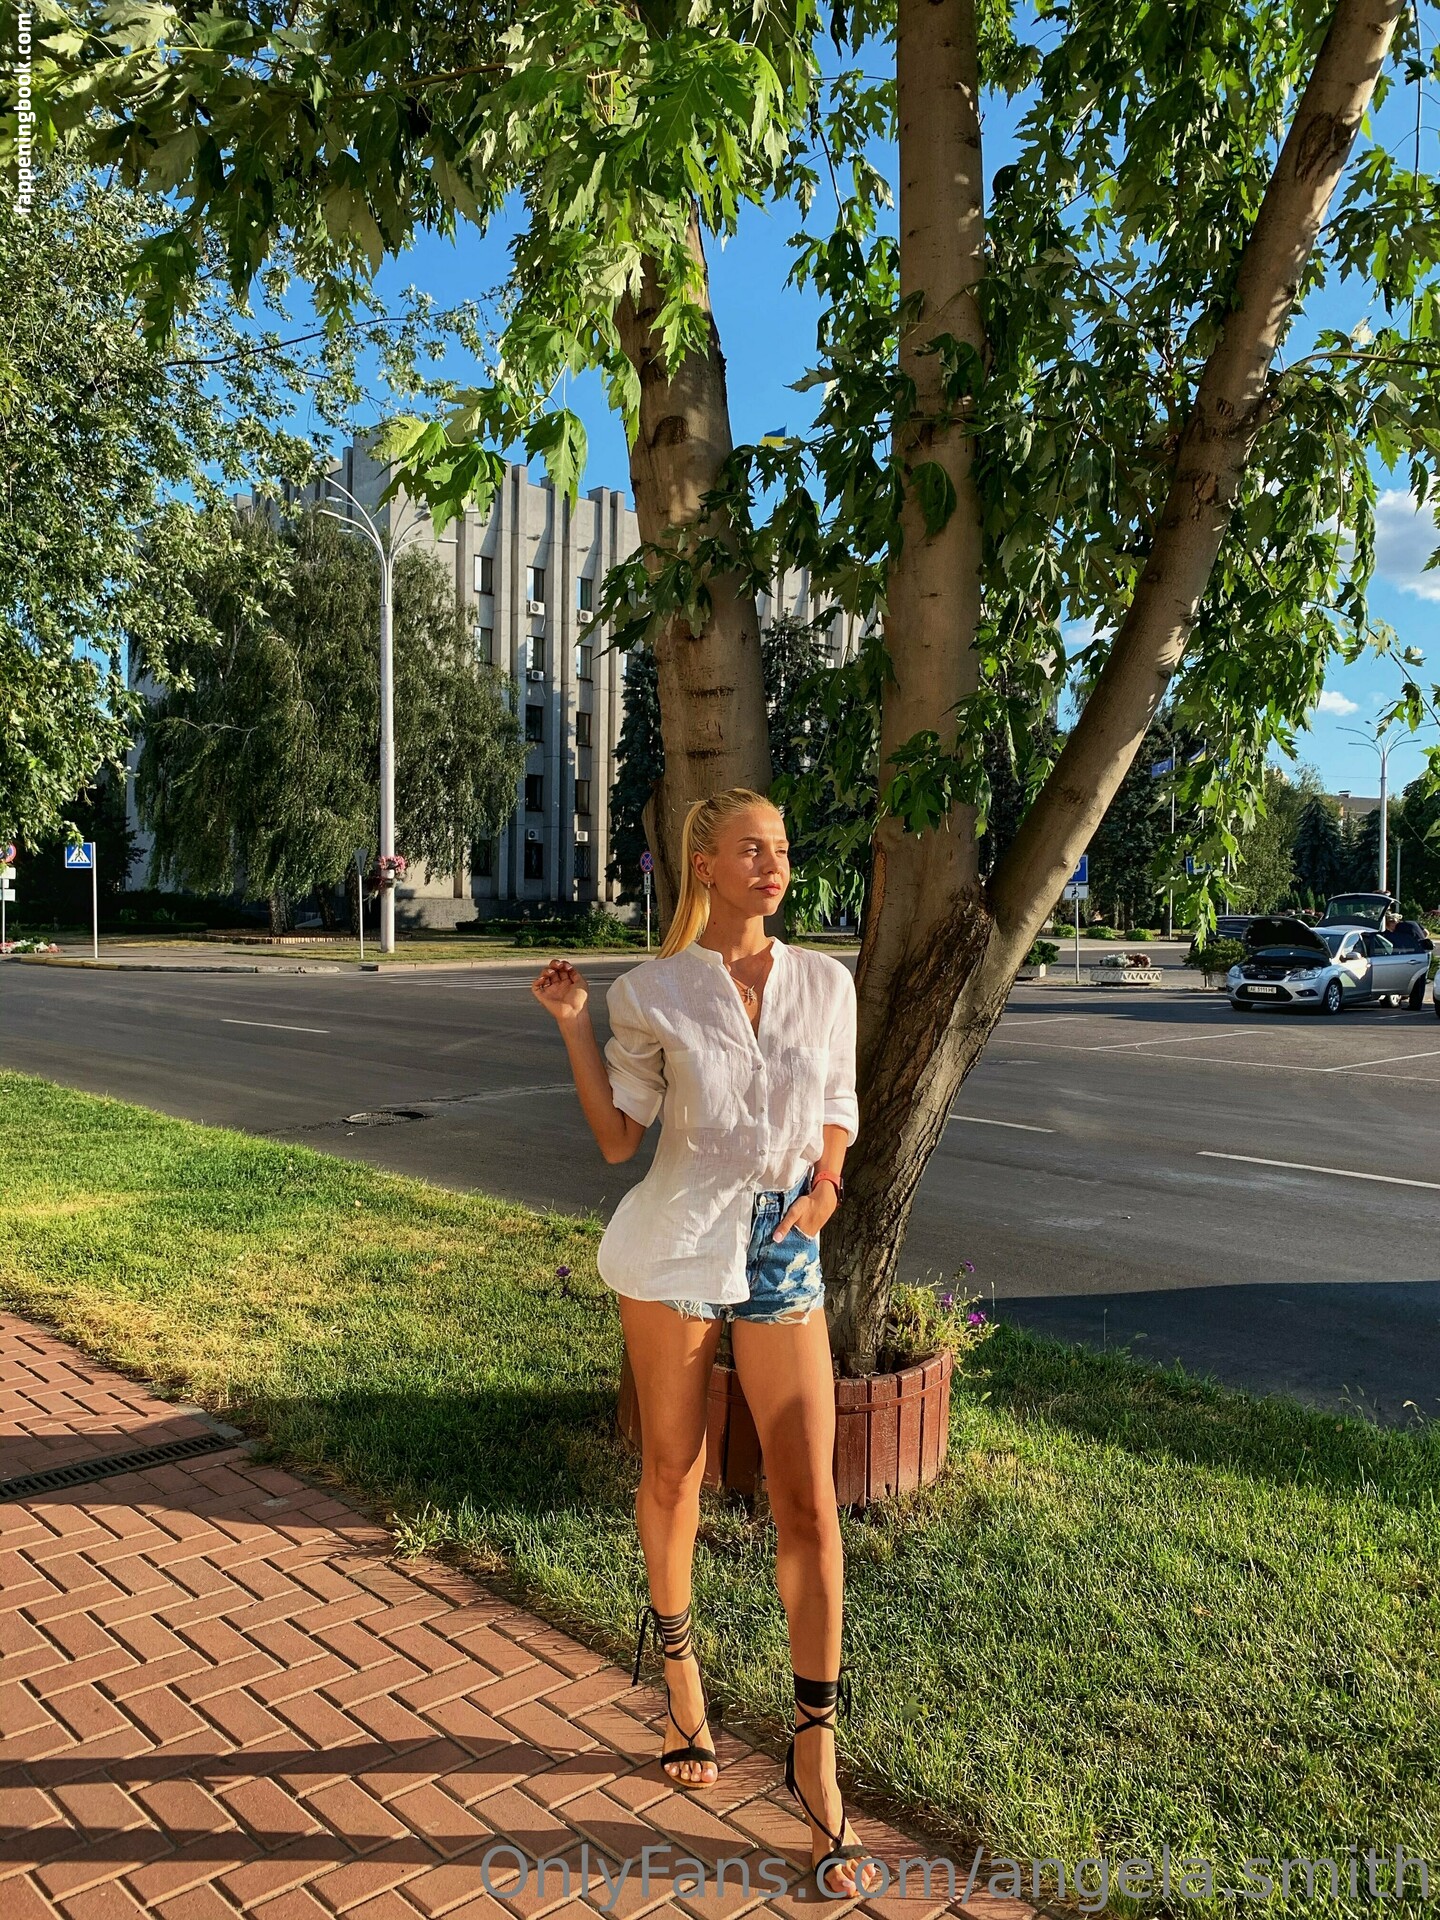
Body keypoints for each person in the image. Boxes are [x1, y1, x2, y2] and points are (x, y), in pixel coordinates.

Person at [531, 786, 880, 1897]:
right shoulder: (654, 992)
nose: (774, 864)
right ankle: (679, 1677)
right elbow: (616, 1138)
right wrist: (574, 1024)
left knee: (808, 1501)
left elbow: (837, 1103)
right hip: (678, 1243)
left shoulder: (825, 982)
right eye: (751, 848)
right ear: (707, 866)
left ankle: (815, 1750)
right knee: (672, 1471)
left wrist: (826, 1188)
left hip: (783, 1245)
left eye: (781, 847)